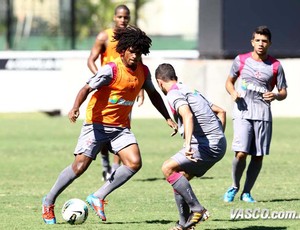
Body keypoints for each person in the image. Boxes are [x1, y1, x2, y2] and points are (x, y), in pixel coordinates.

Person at [42, 26, 178, 224]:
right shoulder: (111, 70)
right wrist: (75, 107)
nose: (135, 56)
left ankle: (98, 196)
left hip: (120, 128)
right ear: (122, 50)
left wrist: (167, 117)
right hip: (96, 124)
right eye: (132, 51)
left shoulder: (143, 71)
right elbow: (87, 88)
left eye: (139, 52)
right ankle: (48, 200)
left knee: (134, 163)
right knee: (80, 166)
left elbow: (154, 94)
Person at [155, 63, 227, 230]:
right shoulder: (189, 89)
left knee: (167, 168)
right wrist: (217, 136)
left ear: (159, 82)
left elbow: (187, 114)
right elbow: (221, 111)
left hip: (205, 145)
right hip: (217, 143)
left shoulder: (173, 94)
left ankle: (197, 209)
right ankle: (184, 225)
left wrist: (187, 145)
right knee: (179, 178)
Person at [223, 26, 288, 203]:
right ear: (252, 42)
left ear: (270, 43)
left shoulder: (275, 66)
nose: (261, 44)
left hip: (263, 114)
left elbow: (283, 92)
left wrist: (275, 95)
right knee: (241, 153)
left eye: (264, 41)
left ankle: (246, 192)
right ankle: (234, 186)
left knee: (258, 155)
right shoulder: (241, 60)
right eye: (258, 40)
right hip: (243, 111)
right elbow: (229, 82)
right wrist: (233, 92)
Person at [87, 4, 144, 181]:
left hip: (126, 88)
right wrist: (99, 78)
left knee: (122, 128)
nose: (123, 20)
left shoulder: (134, 38)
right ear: (114, 18)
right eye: (120, 17)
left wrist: (140, 88)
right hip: (108, 88)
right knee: (104, 126)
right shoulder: (104, 36)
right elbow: (91, 59)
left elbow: (138, 65)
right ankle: (105, 162)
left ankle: (114, 168)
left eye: (126, 17)